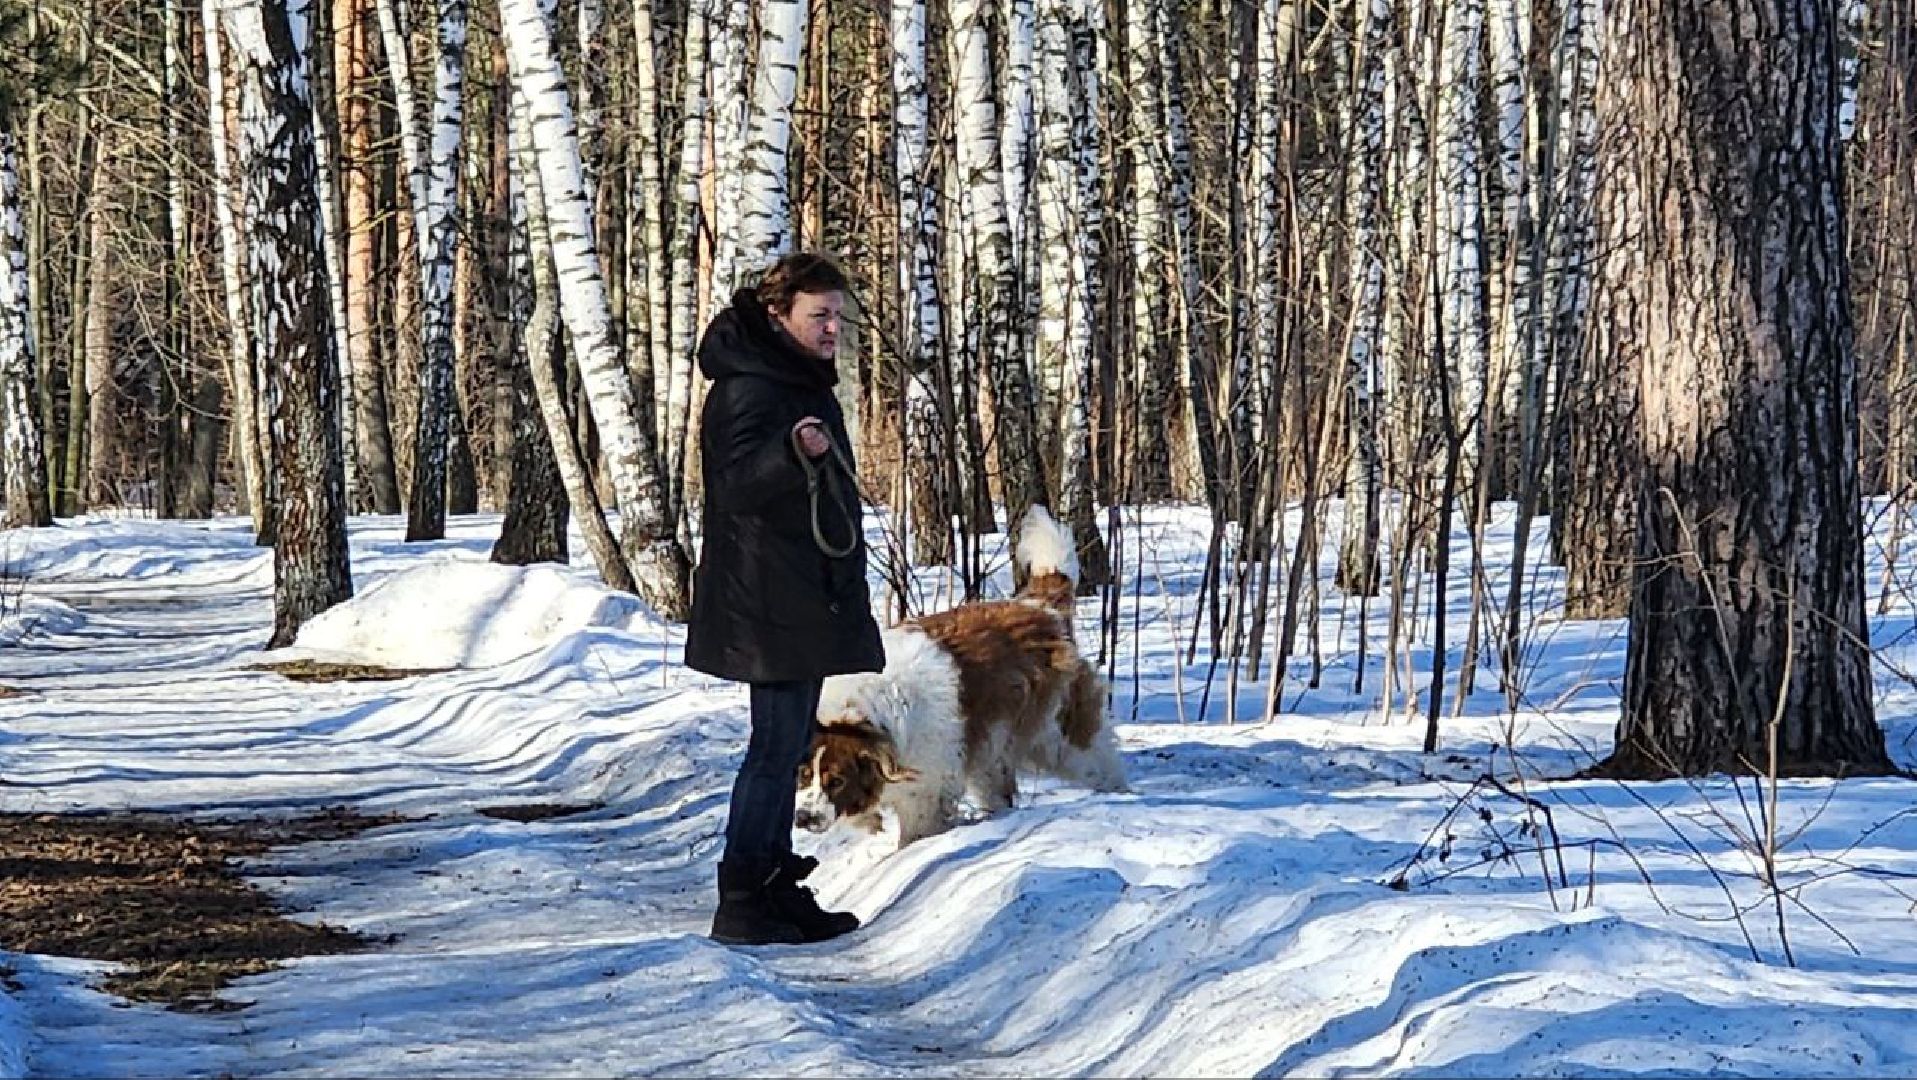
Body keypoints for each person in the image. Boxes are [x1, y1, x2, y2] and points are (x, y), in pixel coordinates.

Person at [684, 252, 885, 946]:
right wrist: (790, 450)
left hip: (797, 593)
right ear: (778, 315)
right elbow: (733, 488)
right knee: (773, 749)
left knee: (791, 743)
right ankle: (744, 898)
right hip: (765, 599)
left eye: (837, 317)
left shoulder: (793, 378)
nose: (832, 328)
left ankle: (771, 885)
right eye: (818, 315)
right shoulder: (748, 388)